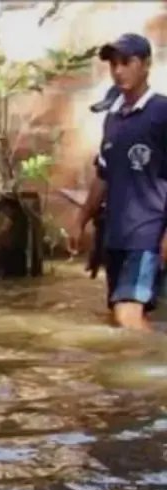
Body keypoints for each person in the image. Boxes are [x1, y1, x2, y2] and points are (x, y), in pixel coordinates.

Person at [69, 33, 167, 331]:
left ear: (146, 65)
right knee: (121, 317)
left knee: (127, 317)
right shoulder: (113, 119)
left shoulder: (162, 112)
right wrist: (81, 219)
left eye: (127, 62)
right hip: (116, 236)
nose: (119, 70)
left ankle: (148, 375)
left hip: (148, 234)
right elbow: (103, 175)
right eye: (113, 64)